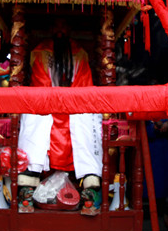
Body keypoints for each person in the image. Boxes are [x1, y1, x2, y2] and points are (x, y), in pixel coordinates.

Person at [16, 17, 103, 214]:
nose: (60, 30)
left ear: (70, 29)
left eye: (64, 25)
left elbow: (84, 85)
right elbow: (39, 82)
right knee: (33, 122)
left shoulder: (79, 53)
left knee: (88, 125)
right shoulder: (40, 51)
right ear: (51, 28)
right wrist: (55, 101)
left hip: (74, 105)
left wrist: (69, 103)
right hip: (46, 103)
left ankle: (90, 189)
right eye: (57, 25)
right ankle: (27, 190)